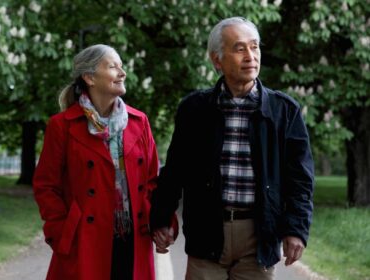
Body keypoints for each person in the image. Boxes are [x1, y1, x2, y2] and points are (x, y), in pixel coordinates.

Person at [150, 17, 314, 280]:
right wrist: (161, 218)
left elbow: (300, 179)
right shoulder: (194, 109)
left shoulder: (284, 111)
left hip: (259, 234)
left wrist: (296, 229)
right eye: (240, 49)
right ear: (217, 60)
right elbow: (176, 169)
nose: (251, 56)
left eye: (255, 47)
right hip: (206, 232)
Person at [33, 44, 159, 280]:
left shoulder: (139, 122)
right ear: (89, 77)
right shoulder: (62, 126)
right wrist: (61, 231)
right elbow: (46, 185)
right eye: (113, 67)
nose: (122, 73)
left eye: (122, 67)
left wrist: (157, 220)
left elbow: (152, 180)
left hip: (134, 239)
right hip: (84, 241)